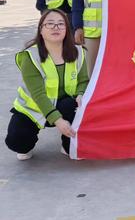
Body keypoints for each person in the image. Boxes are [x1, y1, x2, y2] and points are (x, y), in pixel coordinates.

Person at [5, 9, 88, 160]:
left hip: (64, 105)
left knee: (74, 105)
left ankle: (67, 144)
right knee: (17, 141)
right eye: (50, 24)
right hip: (33, 109)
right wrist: (58, 121)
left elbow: (83, 81)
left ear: (67, 29)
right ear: (41, 30)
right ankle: (27, 142)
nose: (56, 28)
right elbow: (38, 95)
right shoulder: (30, 56)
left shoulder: (78, 52)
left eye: (60, 24)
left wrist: (81, 94)